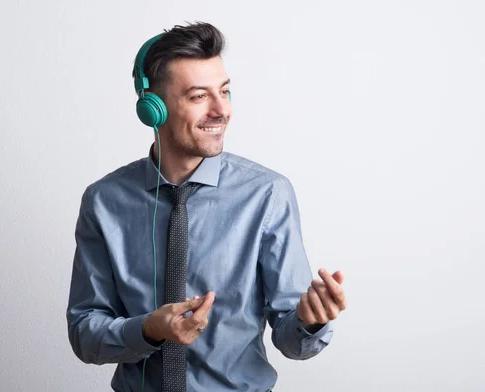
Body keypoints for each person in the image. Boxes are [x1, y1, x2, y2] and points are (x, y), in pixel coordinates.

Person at [66, 22, 347, 392]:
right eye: (199, 96)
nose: (221, 111)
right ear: (154, 108)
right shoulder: (104, 201)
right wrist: (149, 329)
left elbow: (292, 342)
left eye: (225, 92)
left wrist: (309, 322)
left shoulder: (267, 194)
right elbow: (86, 334)